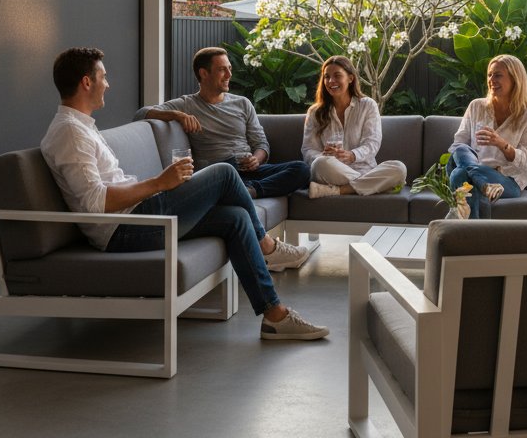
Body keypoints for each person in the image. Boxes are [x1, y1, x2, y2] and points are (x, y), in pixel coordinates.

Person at [40, 47, 327, 341]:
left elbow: (105, 189)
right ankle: (268, 246)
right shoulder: (70, 133)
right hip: (123, 230)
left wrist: (159, 186)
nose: (108, 83)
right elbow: (95, 203)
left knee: (237, 217)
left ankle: (274, 316)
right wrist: (159, 183)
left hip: (139, 213)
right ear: (86, 82)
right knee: (224, 173)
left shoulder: (82, 128)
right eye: (103, 76)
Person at [139, 47, 311, 200]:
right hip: (220, 172)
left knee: (301, 169)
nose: (229, 75)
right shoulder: (187, 104)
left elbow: (261, 143)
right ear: (204, 73)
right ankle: (239, 191)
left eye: (229, 68)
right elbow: (141, 114)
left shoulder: (242, 103)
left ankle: (249, 192)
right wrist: (177, 115)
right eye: (222, 70)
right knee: (226, 170)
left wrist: (256, 160)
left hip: (250, 172)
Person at [447, 54, 527, 218]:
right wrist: (472, 162)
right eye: (490, 75)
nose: (491, 79)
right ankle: (484, 186)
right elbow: (458, 145)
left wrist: (502, 144)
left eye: (498, 75)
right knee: (461, 150)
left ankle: (467, 235)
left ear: (515, 80)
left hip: (507, 180)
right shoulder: (476, 106)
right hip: (476, 168)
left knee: (458, 175)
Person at [300, 55, 407, 199]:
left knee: (399, 169)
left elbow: (372, 143)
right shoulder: (315, 112)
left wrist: (352, 155)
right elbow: (308, 150)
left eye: (337, 75)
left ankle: (336, 190)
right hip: (330, 170)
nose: (331, 81)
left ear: (350, 78)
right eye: (327, 77)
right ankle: (374, 184)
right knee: (319, 163)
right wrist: (325, 156)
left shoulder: (368, 105)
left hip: (364, 169)